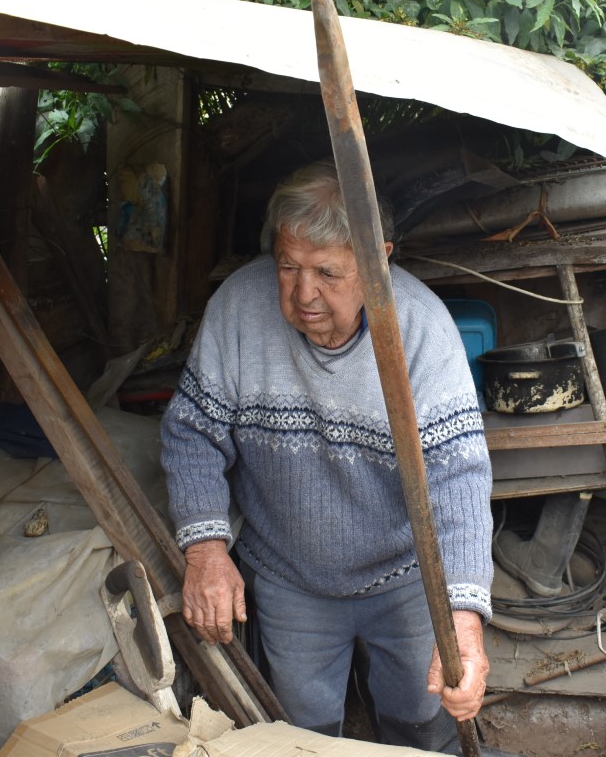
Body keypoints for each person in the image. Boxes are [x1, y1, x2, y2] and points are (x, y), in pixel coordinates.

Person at [161, 159, 494, 754]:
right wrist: (206, 549)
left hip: (404, 577)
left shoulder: (420, 330)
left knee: (420, 723)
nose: (303, 293)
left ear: (378, 258)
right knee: (302, 735)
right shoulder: (238, 309)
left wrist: (465, 619)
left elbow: (460, 478)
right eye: (288, 267)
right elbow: (191, 433)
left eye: (327, 272)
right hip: (290, 576)